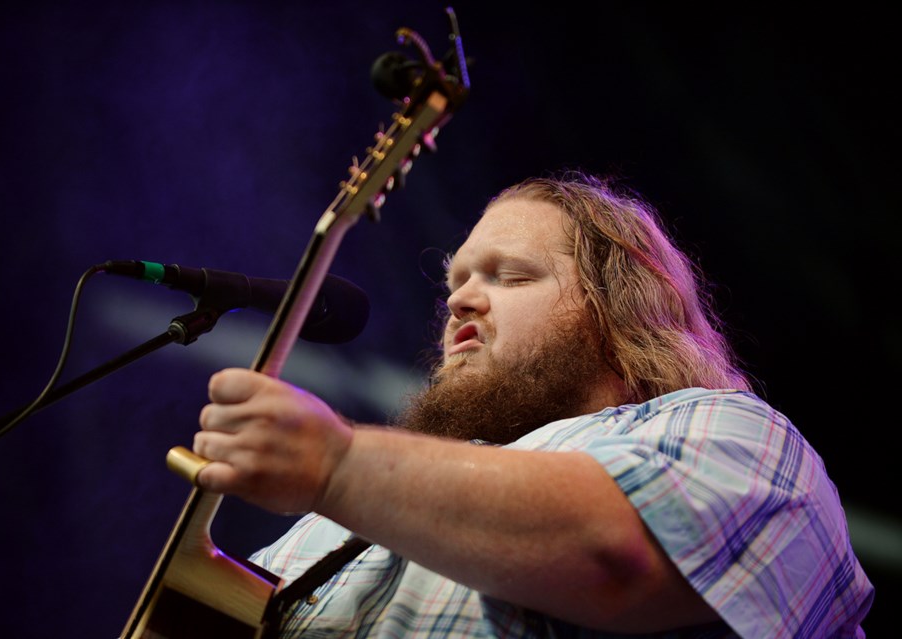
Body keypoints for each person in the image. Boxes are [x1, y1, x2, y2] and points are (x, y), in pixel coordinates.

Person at [193, 171, 874, 637]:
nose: (459, 297)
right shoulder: (322, 529)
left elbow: (621, 556)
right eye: (456, 280)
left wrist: (336, 465)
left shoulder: (736, 435)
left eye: (509, 275)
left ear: (619, 312)